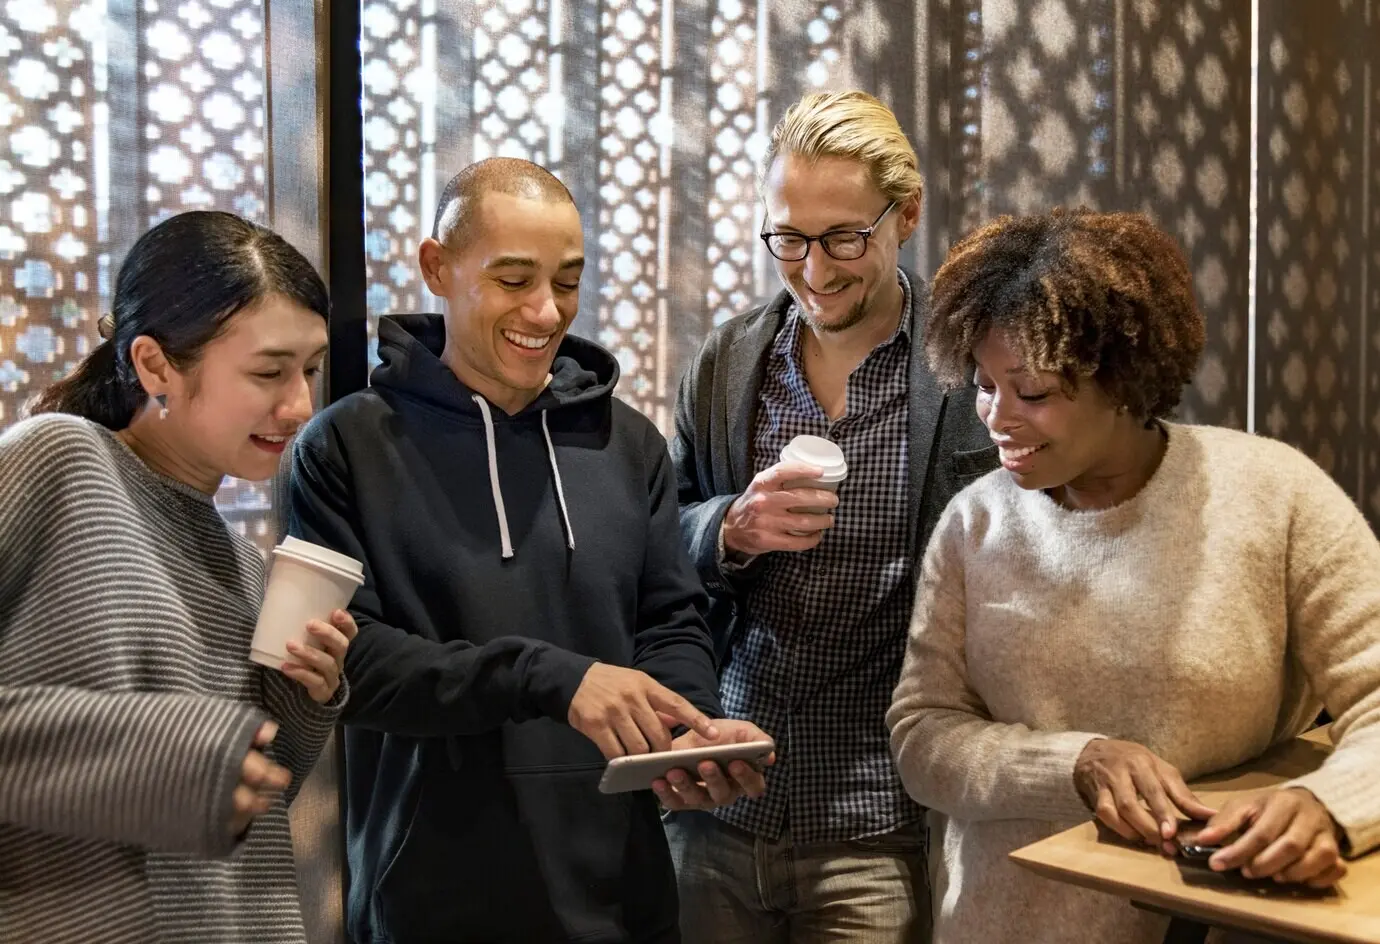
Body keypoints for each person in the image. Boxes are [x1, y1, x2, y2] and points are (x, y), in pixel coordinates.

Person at [287, 156, 770, 944]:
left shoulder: (629, 444)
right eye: (514, 280)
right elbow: (354, 665)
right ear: (437, 268)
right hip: (431, 902)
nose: (546, 312)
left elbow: (670, 621)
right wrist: (549, 678)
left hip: (624, 894)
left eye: (568, 282)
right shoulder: (347, 447)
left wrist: (688, 731)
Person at [886, 207, 1380, 943]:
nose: (996, 418)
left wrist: (1329, 805)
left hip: (1217, 919)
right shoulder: (975, 523)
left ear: (1121, 377)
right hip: (1003, 923)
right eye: (985, 385)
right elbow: (923, 735)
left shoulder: (1273, 495)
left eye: (1034, 392)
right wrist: (1072, 764)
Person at [666, 90, 996, 943]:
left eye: (845, 238)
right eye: (790, 240)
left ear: (906, 216)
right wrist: (728, 528)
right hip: (722, 804)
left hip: (876, 820)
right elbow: (658, 542)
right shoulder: (729, 364)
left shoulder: (965, 376)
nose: (815, 270)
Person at [0, 210, 354, 944]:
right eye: (268, 372)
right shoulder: (59, 462)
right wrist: (165, 754)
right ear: (156, 364)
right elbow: (174, 767)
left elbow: (237, 802)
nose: (300, 406)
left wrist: (301, 699)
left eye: (310, 369)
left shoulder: (245, 562)